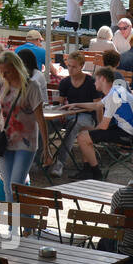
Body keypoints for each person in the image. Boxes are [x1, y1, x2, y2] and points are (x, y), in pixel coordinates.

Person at [0, 51, 50, 198]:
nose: (4, 75)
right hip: (6, 139)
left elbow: (40, 119)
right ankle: (18, 219)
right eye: (1, 72)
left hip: (26, 141)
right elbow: (3, 112)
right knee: (7, 186)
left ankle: (18, 219)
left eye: (7, 72)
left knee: (15, 186)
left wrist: (47, 148)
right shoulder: (2, 84)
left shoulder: (32, 86)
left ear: (17, 68)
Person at [73, 66, 133, 180]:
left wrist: (87, 134)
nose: (94, 83)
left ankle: (95, 173)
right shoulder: (116, 90)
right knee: (85, 134)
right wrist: (75, 104)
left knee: (83, 137)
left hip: (128, 135)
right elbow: (96, 105)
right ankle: (87, 169)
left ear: (103, 79)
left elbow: (103, 126)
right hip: (132, 131)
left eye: (96, 80)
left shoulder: (113, 95)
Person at [47, 51, 97, 179]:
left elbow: (98, 105)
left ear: (81, 66)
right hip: (69, 114)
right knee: (46, 124)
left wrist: (100, 124)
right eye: (69, 66)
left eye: (74, 66)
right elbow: (60, 102)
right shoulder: (65, 82)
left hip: (87, 117)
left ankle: (59, 163)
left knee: (74, 125)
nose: (70, 69)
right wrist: (60, 112)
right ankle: (39, 159)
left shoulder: (91, 82)